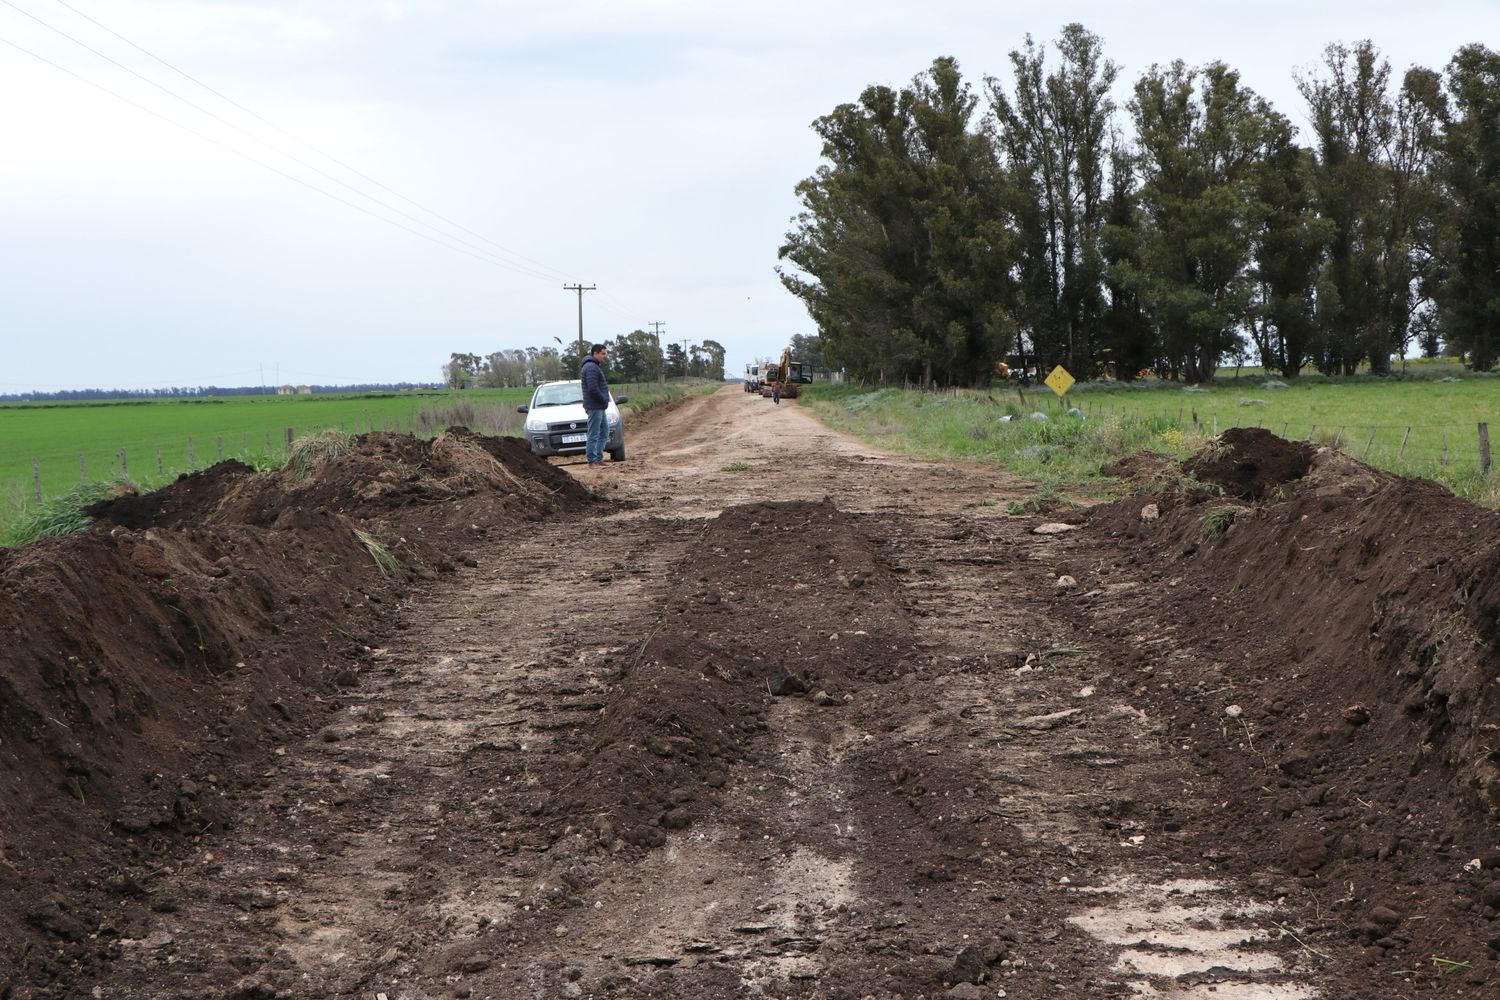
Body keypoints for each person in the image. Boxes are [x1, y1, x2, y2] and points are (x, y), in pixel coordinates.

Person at [580, 343, 611, 467]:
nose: (605, 356)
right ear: (596, 353)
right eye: (603, 354)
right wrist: (604, 399)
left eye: (605, 354)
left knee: (604, 432)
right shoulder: (591, 367)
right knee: (594, 434)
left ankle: (598, 458)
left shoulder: (594, 366)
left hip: (599, 406)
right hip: (594, 406)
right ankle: (592, 460)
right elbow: (592, 388)